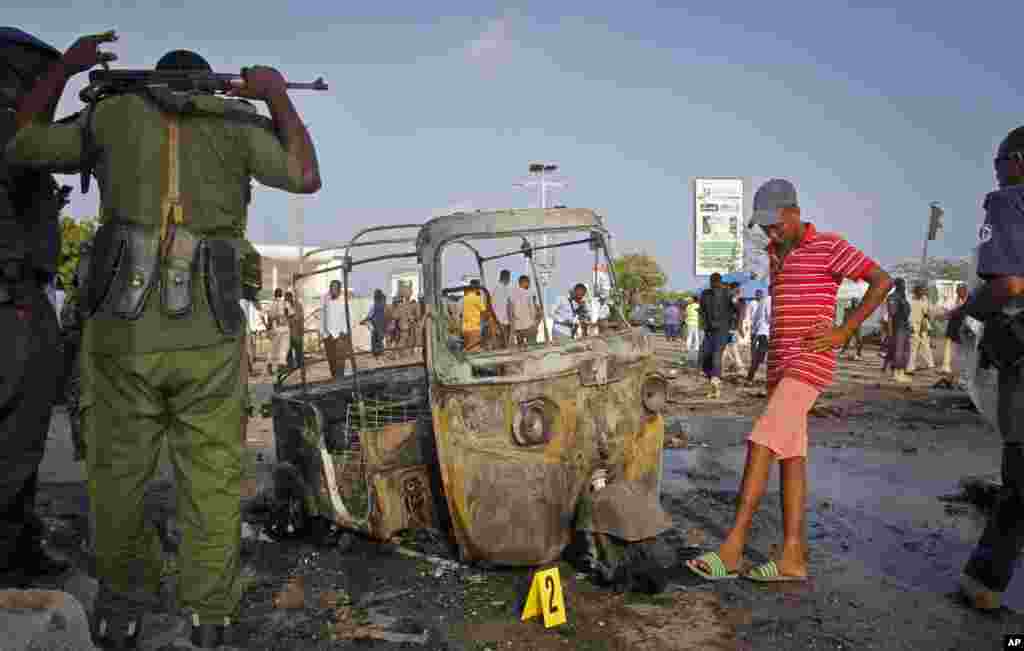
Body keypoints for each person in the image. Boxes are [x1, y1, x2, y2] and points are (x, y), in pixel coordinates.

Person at [6, 31, 322, 646]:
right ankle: (210, 616)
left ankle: (122, 611)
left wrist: (65, 71)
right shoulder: (238, 122)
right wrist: (277, 95)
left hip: (122, 338)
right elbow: (306, 175)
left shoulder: (110, 114)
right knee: (211, 478)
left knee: (117, 478)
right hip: (210, 335)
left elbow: (21, 144)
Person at [686, 178, 891, 584]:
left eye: (776, 225)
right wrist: (768, 371)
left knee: (761, 440)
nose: (771, 233)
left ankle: (733, 547)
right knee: (791, 457)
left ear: (794, 213)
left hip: (809, 363)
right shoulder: (776, 253)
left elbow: (881, 281)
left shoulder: (829, 245)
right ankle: (793, 556)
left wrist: (844, 331)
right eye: (765, 228)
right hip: (780, 368)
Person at [0, 27, 70, 591]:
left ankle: (17, 545)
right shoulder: (8, 124)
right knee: (16, 440)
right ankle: (7, 558)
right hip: (12, 300)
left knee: (23, 439)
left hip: (21, 295)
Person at [948, 125, 1024, 612]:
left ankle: (986, 581)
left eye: (999, 163)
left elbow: (1009, 285)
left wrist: (965, 311)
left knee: (1019, 475)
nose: (997, 173)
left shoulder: (1009, 202)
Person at [698, 273, 735, 399]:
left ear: (719, 282)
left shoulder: (728, 293)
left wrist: (734, 328)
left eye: (716, 282)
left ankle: (716, 380)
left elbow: (737, 309)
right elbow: (701, 310)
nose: (714, 285)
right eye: (712, 282)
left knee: (716, 355)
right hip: (709, 331)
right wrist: (703, 324)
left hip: (723, 330)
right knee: (703, 356)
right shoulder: (705, 294)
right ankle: (714, 381)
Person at [321, 280, 354, 377]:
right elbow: (323, 317)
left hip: (340, 336)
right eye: (331, 287)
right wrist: (323, 333)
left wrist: (343, 332)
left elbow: (349, 318)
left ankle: (340, 380)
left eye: (335, 288)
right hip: (328, 336)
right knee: (331, 361)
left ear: (340, 290)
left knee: (339, 361)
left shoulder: (344, 302)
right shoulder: (326, 302)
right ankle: (334, 378)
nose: (333, 290)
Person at [884, 279, 913, 383]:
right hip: (897, 327)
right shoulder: (893, 297)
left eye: (904, 285)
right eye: (902, 285)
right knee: (898, 351)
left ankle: (902, 372)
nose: (904, 287)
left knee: (906, 351)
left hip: (905, 327)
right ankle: (896, 373)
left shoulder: (903, 297)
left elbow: (906, 314)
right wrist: (890, 332)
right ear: (897, 286)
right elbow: (891, 316)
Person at [907, 284, 937, 374]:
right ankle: (911, 366)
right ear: (916, 291)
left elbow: (927, 314)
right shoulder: (909, 300)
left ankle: (930, 364)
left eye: (924, 291)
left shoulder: (925, 299)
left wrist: (928, 325)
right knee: (913, 347)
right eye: (921, 291)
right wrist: (909, 326)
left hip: (923, 325)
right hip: (912, 325)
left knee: (926, 345)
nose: (923, 292)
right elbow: (906, 315)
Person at [941, 284, 968, 376]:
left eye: (961, 290)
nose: (959, 292)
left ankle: (961, 368)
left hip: (963, 327)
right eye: (958, 290)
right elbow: (946, 313)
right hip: (952, 326)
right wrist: (950, 313)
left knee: (961, 349)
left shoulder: (969, 301)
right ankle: (945, 367)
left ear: (965, 291)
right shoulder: (952, 301)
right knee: (948, 347)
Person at [746, 289, 771, 386]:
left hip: (760, 332)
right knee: (765, 356)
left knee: (758, 357)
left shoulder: (762, 301)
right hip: (766, 332)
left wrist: (754, 331)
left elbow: (756, 318)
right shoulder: (770, 300)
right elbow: (770, 317)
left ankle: (750, 378)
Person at [267, 288, 289, 376]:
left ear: (274, 295)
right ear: (281, 294)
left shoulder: (271, 304)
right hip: (284, 329)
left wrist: (268, 329)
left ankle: (270, 364)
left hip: (275, 329)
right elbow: (289, 314)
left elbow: (269, 318)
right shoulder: (285, 303)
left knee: (273, 348)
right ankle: (281, 366)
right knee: (283, 347)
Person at [510, 274, 536, 347]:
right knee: (530, 344)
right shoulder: (528, 293)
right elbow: (532, 308)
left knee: (520, 344)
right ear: (524, 282)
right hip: (528, 322)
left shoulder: (512, 293)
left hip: (517, 323)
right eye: (528, 283)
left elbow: (511, 308)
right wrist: (533, 320)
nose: (529, 285)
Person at [361, 289, 388, 358]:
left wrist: (363, 321)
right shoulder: (384, 304)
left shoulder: (375, 305)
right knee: (380, 338)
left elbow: (370, 315)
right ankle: (380, 351)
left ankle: (376, 353)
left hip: (376, 324)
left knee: (375, 338)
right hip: (381, 323)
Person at [490, 269, 513, 347]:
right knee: (503, 345)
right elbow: (509, 305)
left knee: (496, 345)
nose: (510, 280)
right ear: (506, 278)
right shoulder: (506, 289)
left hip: (495, 321)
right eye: (509, 278)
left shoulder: (493, 288)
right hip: (503, 322)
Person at [462, 279, 485, 352]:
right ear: (477, 287)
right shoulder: (476, 298)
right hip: (474, 328)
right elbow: (484, 311)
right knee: (474, 351)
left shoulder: (465, 297)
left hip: (465, 328)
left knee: (468, 349)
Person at [284, 291, 304, 370]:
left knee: (298, 349)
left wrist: (301, 328)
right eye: (286, 298)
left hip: (296, 331)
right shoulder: (284, 306)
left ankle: (299, 364)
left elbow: (300, 317)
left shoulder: (298, 305)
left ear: (291, 297)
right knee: (288, 350)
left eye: (288, 298)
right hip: (287, 333)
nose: (287, 300)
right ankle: (290, 365)